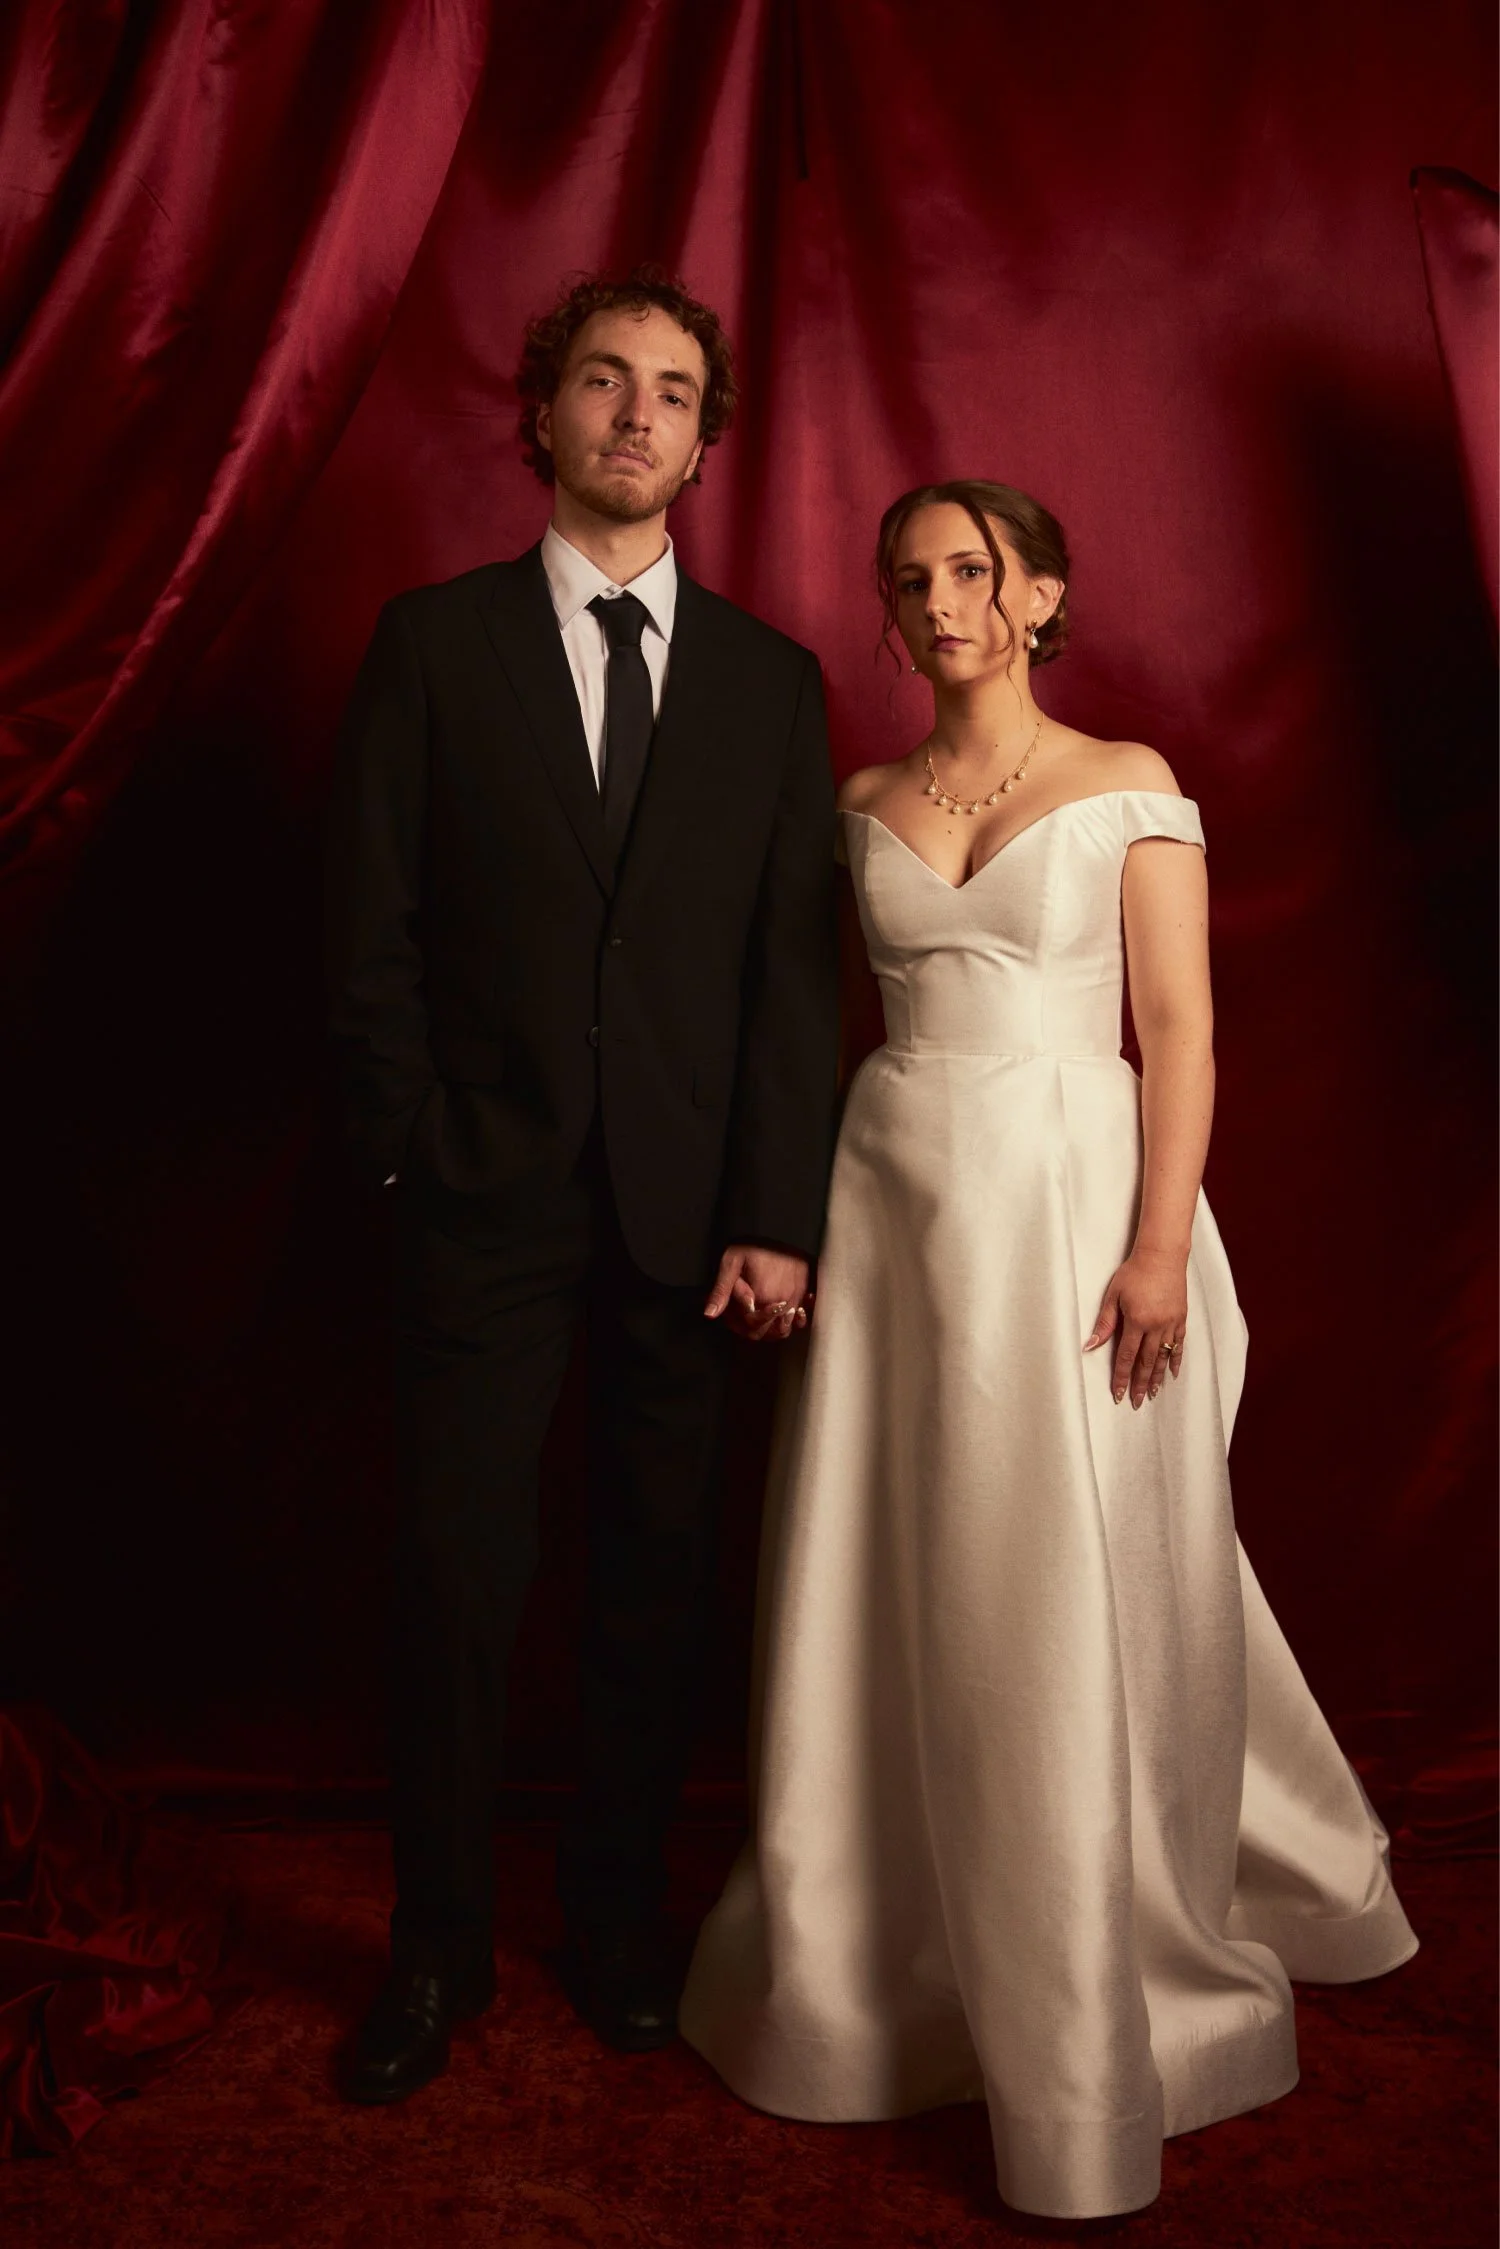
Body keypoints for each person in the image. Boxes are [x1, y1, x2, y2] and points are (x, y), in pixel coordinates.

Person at [679, 479, 1417, 2220]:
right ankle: (896, 1935)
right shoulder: (860, 798)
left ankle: (1100, 1940)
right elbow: (787, 1020)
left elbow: (1180, 1030)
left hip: (1078, 1218)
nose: (938, 601)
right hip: (896, 1210)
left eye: (971, 572)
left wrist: (1161, 1244)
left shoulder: (1129, 787)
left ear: (1040, 595)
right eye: (909, 579)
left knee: (1063, 1569)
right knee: (896, 1559)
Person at [325, 268, 838, 2104]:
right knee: (457, 1581)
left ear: (705, 443)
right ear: (543, 413)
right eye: (605, 382)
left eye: (675, 392)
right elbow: (365, 933)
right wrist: (411, 1142)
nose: (637, 413)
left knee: (651, 1584)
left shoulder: (778, 689)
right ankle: (434, 1951)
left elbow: (794, 977)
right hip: (480, 1198)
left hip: (694, 1224)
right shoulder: (430, 646)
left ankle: (616, 1934)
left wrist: (778, 1210)